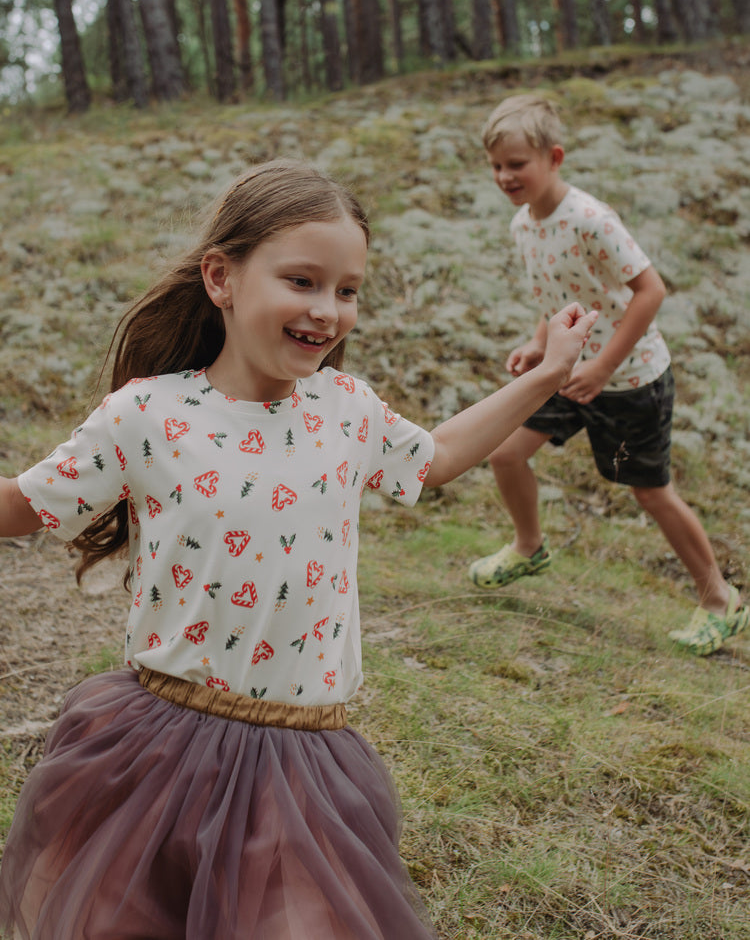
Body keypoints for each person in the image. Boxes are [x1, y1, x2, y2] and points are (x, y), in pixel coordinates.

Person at [0, 159, 596, 940]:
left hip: (302, 762)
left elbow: (439, 457)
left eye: (346, 290)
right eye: (303, 281)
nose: (328, 310)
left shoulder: (344, 409)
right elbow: (24, 503)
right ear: (222, 277)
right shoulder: (148, 414)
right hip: (155, 748)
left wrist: (550, 372)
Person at [467, 94, 748, 658]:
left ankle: (720, 599)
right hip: (566, 371)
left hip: (630, 378)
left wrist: (601, 366)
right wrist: (537, 342)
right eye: (496, 165)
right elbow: (556, 298)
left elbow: (651, 291)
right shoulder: (524, 224)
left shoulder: (591, 220)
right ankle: (529, 547)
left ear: (554, 158)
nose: (505, 176)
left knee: (650, 491)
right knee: (505, 453)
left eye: (517, 164)